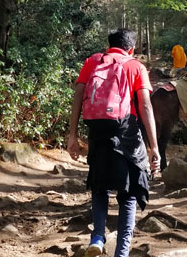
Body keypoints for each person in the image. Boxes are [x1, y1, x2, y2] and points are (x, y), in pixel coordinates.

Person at [67, 29, 160, 257]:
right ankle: (122, 252)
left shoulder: (93, 61)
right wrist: (154, 146)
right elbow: (146, 106)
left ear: (109, 45)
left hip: (98, 132)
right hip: (127, 133)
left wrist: (72, 135)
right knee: (128, 194)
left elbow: (78, 96)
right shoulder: (135, 66)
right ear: (131, 48)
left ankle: (98, 237)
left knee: (99, 187)